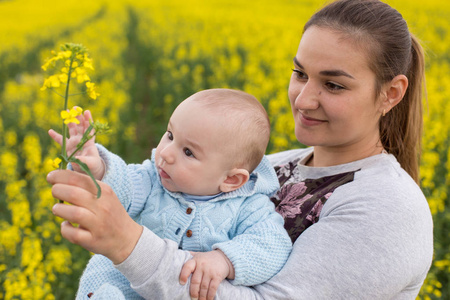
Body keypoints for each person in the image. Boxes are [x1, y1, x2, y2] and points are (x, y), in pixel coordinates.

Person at [48, 0, 434, 299]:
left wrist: (128, 244)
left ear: (391, 93)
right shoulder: (269, 168)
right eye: (300, 74)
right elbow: (151, 185)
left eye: (333, 85)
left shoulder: (388, 209)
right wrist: (100, 170)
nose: (303, 100)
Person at [49, 88, 292, 299]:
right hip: (122, 283)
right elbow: (122, 188)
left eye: (188, 152)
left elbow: (272, 244)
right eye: (170, 135)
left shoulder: (249, 206)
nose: (165, 153)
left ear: (231, 179)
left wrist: (224, 260)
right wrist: (98, 167)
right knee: (106, 284)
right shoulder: (153, 178)